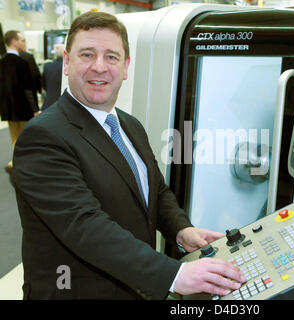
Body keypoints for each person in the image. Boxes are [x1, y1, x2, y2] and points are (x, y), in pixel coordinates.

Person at [12, 11, 245, 300]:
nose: (99, 67)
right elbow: (84, 225)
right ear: (67, 64)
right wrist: (172, 275)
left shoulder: (128, 124)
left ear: (125, 67)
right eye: (87, 55)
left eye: (111, 57)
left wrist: (181, 230)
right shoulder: (43, 137)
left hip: (130, 286)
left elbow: (155, 190)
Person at [0, 30, 39, 174]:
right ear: (15, 42)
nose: (24, 43)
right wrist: (35, 108)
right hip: (23, 108)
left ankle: (16, 160)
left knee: (14, 137)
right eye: (22, 40)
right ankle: (29, 163)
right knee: (27, 136)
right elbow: (28, 89)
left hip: (7, 109)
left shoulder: (1, 62)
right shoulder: (22, 63)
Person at [41, 44, 64, 111]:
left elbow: (44, 86)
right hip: (63, 107)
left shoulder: (47, 67)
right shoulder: (69, 68)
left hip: (48, 105)